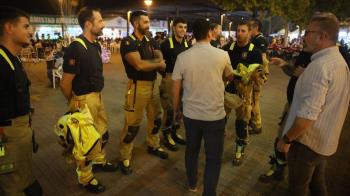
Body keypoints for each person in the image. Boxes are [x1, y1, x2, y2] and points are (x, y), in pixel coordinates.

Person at [277, 12, 350, 196]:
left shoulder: (321, 67)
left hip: (306, 144)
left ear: (323, 36)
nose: (303, 36)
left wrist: (286, 140)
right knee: (317, 184)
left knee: (297, 189)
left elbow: (307, 116)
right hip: (324, 141)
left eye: (308, 32)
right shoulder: (339, 62)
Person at [172, 18, 234, 196]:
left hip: (191, 115)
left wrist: (177, 111)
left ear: (193, 34)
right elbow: (230, 77)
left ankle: (192, 184)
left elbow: (175, 88)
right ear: (209, 33)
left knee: (191, 151)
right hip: (214, 116)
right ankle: (209, 192)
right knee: (213, 158)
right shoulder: (222, 55)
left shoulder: (182, 57)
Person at [60, 7, 117, 193]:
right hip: (83, 100)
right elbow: (65, 83)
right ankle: (85, 177)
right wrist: (74, 101)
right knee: (85, 142)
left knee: (102, 133)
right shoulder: (75, 47)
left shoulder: (95, 45)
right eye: (100, 21)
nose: (103, 24)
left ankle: (99, 160)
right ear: (88, 24)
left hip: (97, 97)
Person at [119, 10, 168, 175]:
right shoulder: (128, 42)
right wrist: (155, 62)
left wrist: (152, 63)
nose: (148, 25)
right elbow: (139, 65)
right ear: (136, 23)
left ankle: (153, 145)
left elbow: (161, 63)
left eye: (149, 22)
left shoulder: (152, 41)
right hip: (137, 87)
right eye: (145, 22)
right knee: (132, 125)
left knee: (156, 119)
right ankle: (124, 156)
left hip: (153, 85)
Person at [0, 6, 43, 195]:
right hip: (7, 140)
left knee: (24, 181)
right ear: (9, 28)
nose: (31, 31)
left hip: (19, 135)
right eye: (26, 26)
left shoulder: (13, 59)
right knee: (13, 187)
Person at [259, 49, 312, 183]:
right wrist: (284, 65)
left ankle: (281, 171)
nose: (305, 38)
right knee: (282, 137)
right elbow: (295, 72)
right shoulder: (306, 53)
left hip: (304, 108)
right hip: (292, 104)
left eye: (309, 33)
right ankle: (280, 168)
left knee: (285, 140)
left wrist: (307, 75)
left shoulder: (323, 59)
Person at [222, 20, 264, 166]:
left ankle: (239, 151)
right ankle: (217, 146)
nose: (239, 34)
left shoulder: (255, 52)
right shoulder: (227, 48)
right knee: (220, 121)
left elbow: (261, 77)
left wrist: (254, 76)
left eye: (243, 31)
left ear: (249, 33)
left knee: (241, 124)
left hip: (244, 95)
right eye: (237, 30)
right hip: (226, 92)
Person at [160, 17, 190, 151]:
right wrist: (166, 77)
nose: (183, 30)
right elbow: (160, 65)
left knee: (180, 109)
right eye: (180, 27)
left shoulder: (187, 44)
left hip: (185, 79)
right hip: (171, 78)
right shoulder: (166, 44)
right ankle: (166, 135)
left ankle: (174, 132)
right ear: (174, 28)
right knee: (170, 109)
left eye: (185, 27)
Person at [248, 18, 269, 134]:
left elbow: (262, 60)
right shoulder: (255, 39)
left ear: (256, 28)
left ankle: (257, 125)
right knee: (252, 100)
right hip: (255, 74)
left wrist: (260, 75)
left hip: (257, 75)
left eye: (250, 27)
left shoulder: (260, 40)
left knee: (255, 100)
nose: (248, 29)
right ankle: (253, 121)